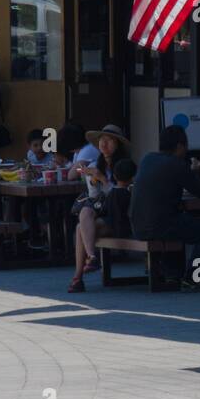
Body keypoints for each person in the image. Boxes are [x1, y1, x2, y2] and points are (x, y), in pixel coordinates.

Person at [129, 125, 200, 288]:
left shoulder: (147, 159)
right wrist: (195, 171)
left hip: (138, 225)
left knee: (178, 222)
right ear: (179, 146)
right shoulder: (177, 164)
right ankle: (195, 278)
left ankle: (172, 275)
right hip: (161, 225)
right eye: (185, 146)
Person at [67, 125, 130, 293]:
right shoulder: (95, 163)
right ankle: (93, 257)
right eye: (101, 140)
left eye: (109, 140)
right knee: (85, 212)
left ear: (118, 144)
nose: (104, 143)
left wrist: (103, 180)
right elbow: (94, 196)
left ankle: (78, 278)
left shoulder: (125, 165)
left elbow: (121, 196)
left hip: (120, 216)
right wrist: (92, 180)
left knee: (80, 228)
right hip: (102, 212)